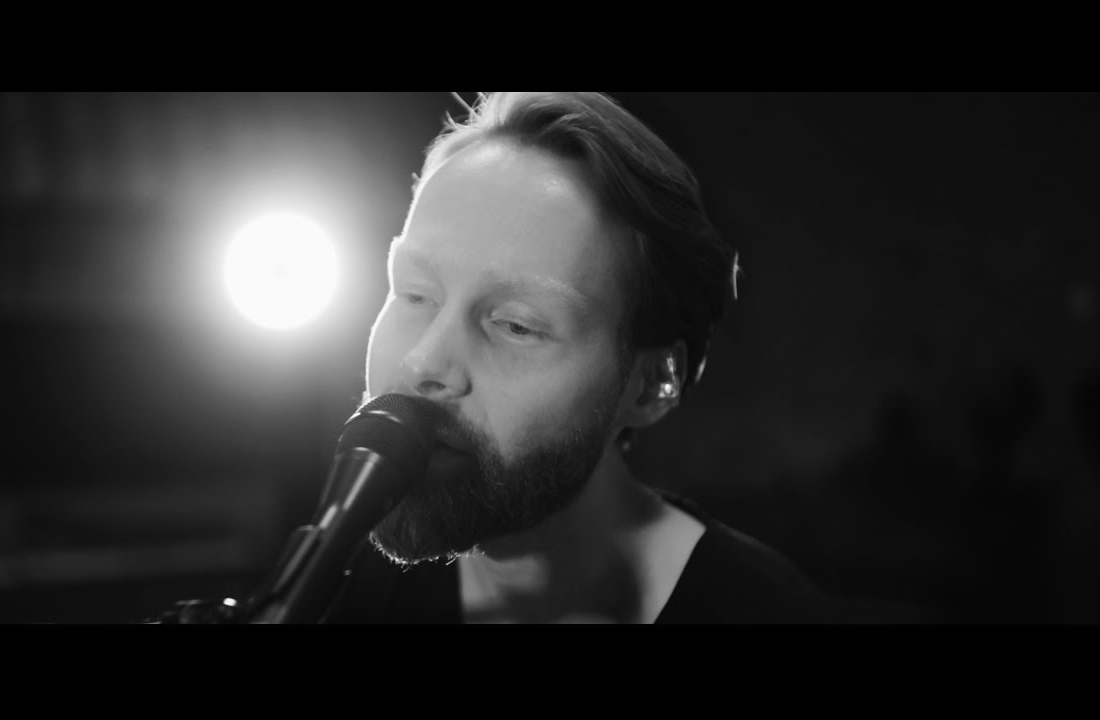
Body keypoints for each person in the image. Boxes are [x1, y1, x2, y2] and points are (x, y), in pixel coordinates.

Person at [322, 92, 830, 624]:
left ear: (651, 383)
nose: (422, 363)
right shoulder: (348, 584)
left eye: (517, 325)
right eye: (414, 294)